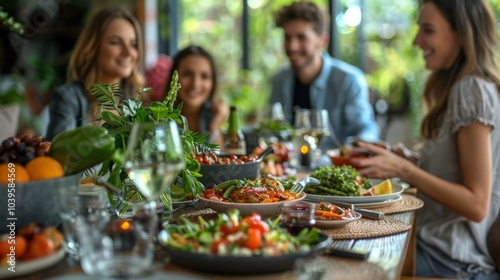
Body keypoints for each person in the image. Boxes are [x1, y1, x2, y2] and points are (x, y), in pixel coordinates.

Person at [351, 0, 500, 278]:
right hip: (441, 249)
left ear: (461, 33)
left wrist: (403, 170)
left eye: (428, 30)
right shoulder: (464, 88)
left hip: (454, 260)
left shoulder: (472, 89)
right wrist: (408, 160)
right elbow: (460, 172)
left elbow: (477, 204)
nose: (417, 40)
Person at [270, 1, 379, 149]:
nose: (292, 46)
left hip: (335, 168)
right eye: (288, 37)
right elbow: (273, 130)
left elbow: (366, 130)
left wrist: (351, 150)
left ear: (322, 41)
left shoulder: (349, 80)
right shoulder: (280, 80)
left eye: (301, 37)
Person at [45, 7, 144, 140]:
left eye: (133, 44)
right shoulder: (68, 99)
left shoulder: (133, 98)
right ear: (93, 47)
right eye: (115, 42)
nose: (128, 52)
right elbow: (59, 158)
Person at [166, 45, 227, 147]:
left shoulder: (214, 116)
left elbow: (217, 159)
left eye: (204, 76)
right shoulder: (159, 120)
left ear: (213, 82)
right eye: (187, 74)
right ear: (174, 78)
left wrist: (214, 126)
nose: (195, 83)